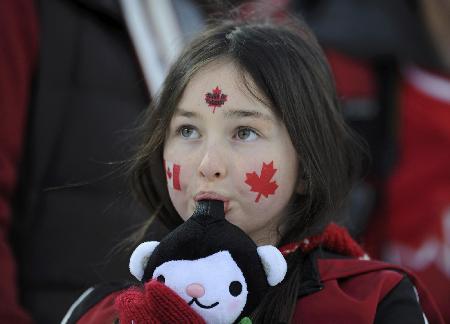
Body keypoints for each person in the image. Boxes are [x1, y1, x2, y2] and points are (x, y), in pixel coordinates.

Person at [62, 16, 443, 323]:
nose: (208, 165)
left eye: (244, 132)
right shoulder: (101, 313)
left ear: (307, 165)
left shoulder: (373, 304)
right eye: (187, 130)